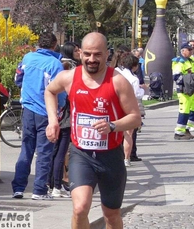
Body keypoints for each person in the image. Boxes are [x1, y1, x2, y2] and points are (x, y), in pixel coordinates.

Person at [45, 32, 141, 228]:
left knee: (111, 214)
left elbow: (135, 118)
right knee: (80, 208)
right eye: (87, 54)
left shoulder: (117, 81)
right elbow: (49, 91)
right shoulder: (69, 77)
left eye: (97, 54)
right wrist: (53, 120)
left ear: (107, 54)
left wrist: (113, 126)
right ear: (79, 53)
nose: (91, 59)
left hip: (111, 157)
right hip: (82, 154)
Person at [11, 32, 66, 200]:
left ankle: (18, 188)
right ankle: (39, 190)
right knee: (44, 152)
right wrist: (60, 109)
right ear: (54, 45)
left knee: (26, 149)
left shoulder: (28, 58)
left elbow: (17, 78)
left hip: (27, 109)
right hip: (46, 112)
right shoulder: (55, 64)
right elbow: (60, 92)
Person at [47, 41, 80, 198]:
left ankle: (52, 183)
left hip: (55, 114)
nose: (78, 52)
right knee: (61, 152)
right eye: (76, 50)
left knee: (54, 152)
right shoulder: (69, 68)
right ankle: (57, 186)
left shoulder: (58, 64)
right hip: (64, 115)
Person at [116, 52, 144, 166]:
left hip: (116, 105)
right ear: (134, 66)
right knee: (128, 134)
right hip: (129, 107)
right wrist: (143, 90)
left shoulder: (117, 73)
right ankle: (126, 158)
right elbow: (138, 94)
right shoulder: (134, 79)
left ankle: (116, 156)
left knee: (115, 132)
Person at [171, 43, 194, 140]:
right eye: (189, 50)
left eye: (191, 49)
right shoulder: (179, 62)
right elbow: (176, 77)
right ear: (183, 51)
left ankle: (187, 128)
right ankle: (179, 132)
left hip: (191, 89)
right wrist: (188, 82)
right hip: (184, 90)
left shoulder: (190, 60)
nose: (191, 51)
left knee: (191, 110)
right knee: (184, 110)